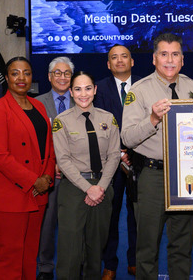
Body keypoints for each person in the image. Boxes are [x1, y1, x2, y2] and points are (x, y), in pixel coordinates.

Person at [121, 33, 193, 279]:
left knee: (182, 245)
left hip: (186, 175)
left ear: (182, 59)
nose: (170, 60)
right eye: (164, 54)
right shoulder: (139, 90)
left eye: (175, 54)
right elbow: (127, 138)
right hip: (153, 176)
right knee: (147, 247)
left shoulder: (192, 87)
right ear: (154, 59)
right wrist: (153, 118)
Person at [0, 57, 55, 280]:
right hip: (10, 195)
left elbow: (49, 148)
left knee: (29, 253)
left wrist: (47, 178)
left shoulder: (40, 106)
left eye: (26, 73)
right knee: (9, 255)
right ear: (6, 77)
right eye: (15, 73)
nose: (21, 78)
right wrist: (34, 180)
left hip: (38, 193)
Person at [52, 71, 121, 279]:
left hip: (103, 187)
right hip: (74, 188)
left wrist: (100, 187)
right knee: (70, 250)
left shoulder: (108, 118)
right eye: (78, 89)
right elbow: (62, 160)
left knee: (95, 248)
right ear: (71, 92)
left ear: (95, 90)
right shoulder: (61, 121)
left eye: (88, 88)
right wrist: (88, 188)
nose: (84, 94)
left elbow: (114, 155)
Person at [94, 44, 141, 280]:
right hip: (110, 162)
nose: (120, 60)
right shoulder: (98, 89)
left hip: (140, 159)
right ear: (108, 64)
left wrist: (132, 151)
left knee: (138, 214)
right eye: (114, 57)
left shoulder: (145, 86)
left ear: (132, 62)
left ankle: (135, 261)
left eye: (124, 56)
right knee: (110, 216)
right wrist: (118, 152)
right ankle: (110, 264)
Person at [35, 56, 75, 280]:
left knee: (74, 225)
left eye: (66, 73)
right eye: (57, 73)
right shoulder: (37, 103)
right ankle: (45, 267)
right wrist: (52, 165)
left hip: (76, 176)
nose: (62, 77)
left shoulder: (82, 99)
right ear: (49, 77)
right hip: (49, 174)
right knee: (46, 226)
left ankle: (72, 266)